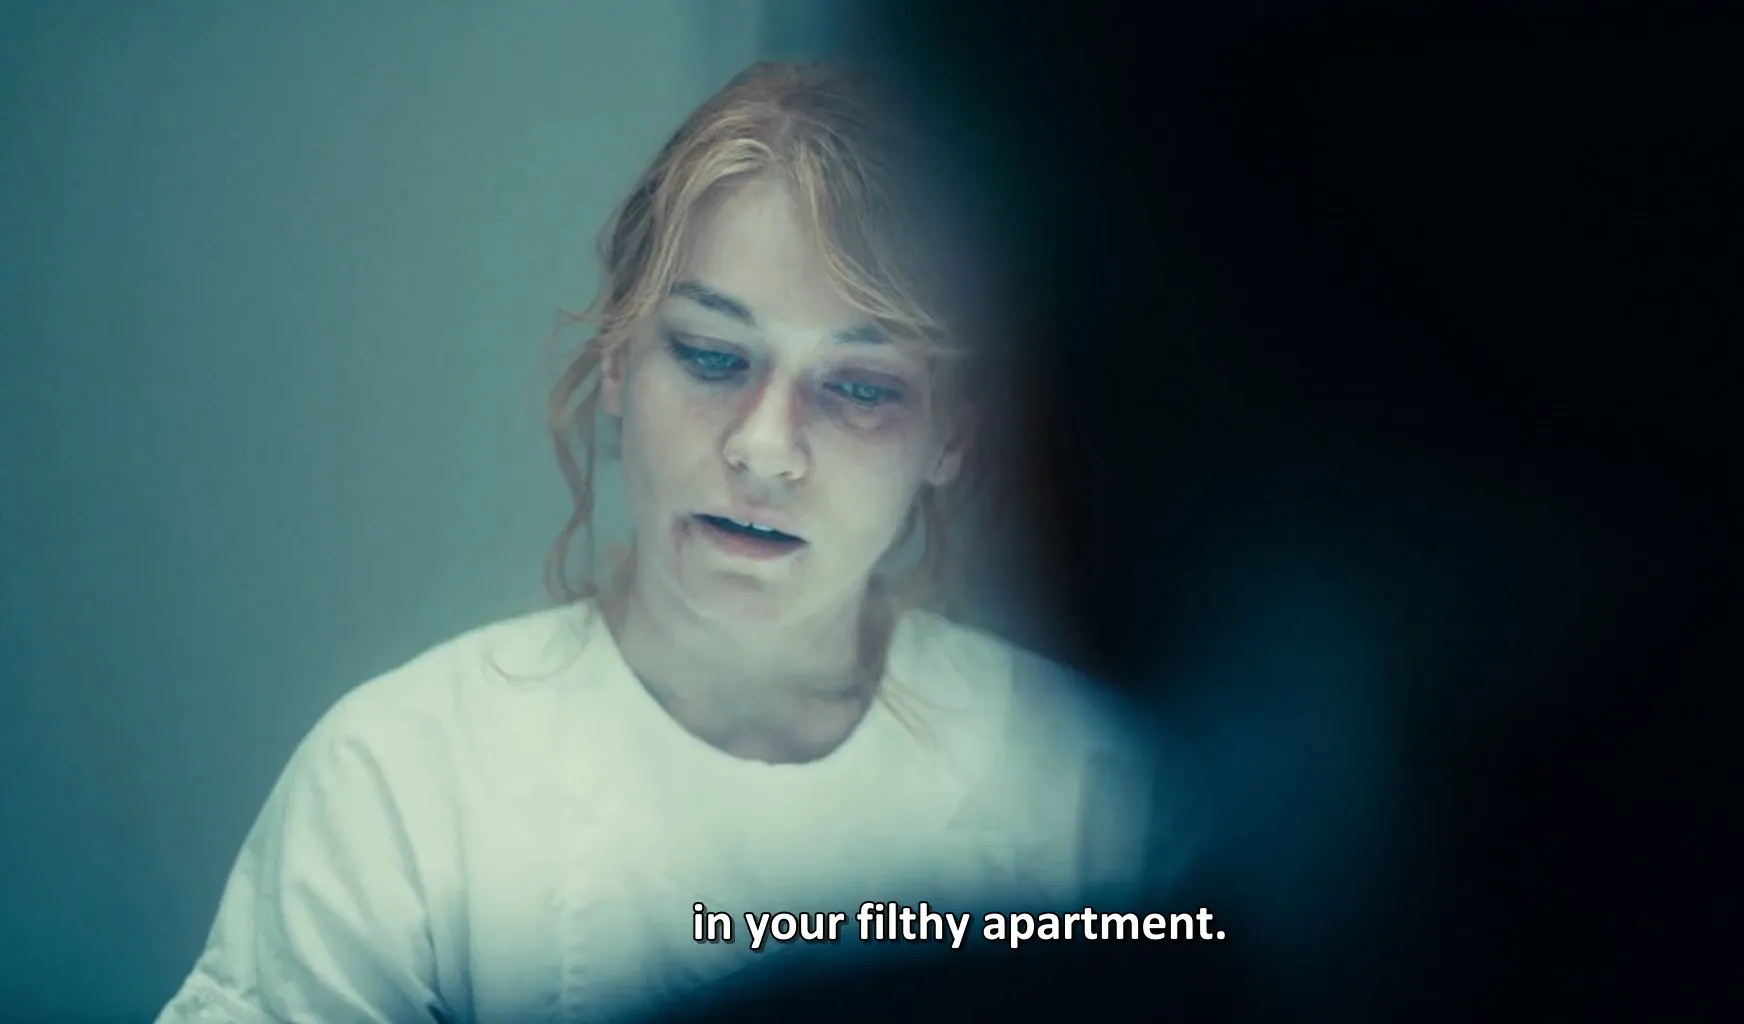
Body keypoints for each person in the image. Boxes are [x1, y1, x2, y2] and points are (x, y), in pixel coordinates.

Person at [156, 61, 1161, 1024]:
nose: (765, 449)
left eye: (860, 387)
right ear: (617, 365)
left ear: (953, 435)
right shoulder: (400, 782)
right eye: (713, 356)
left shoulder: (1089, 795)